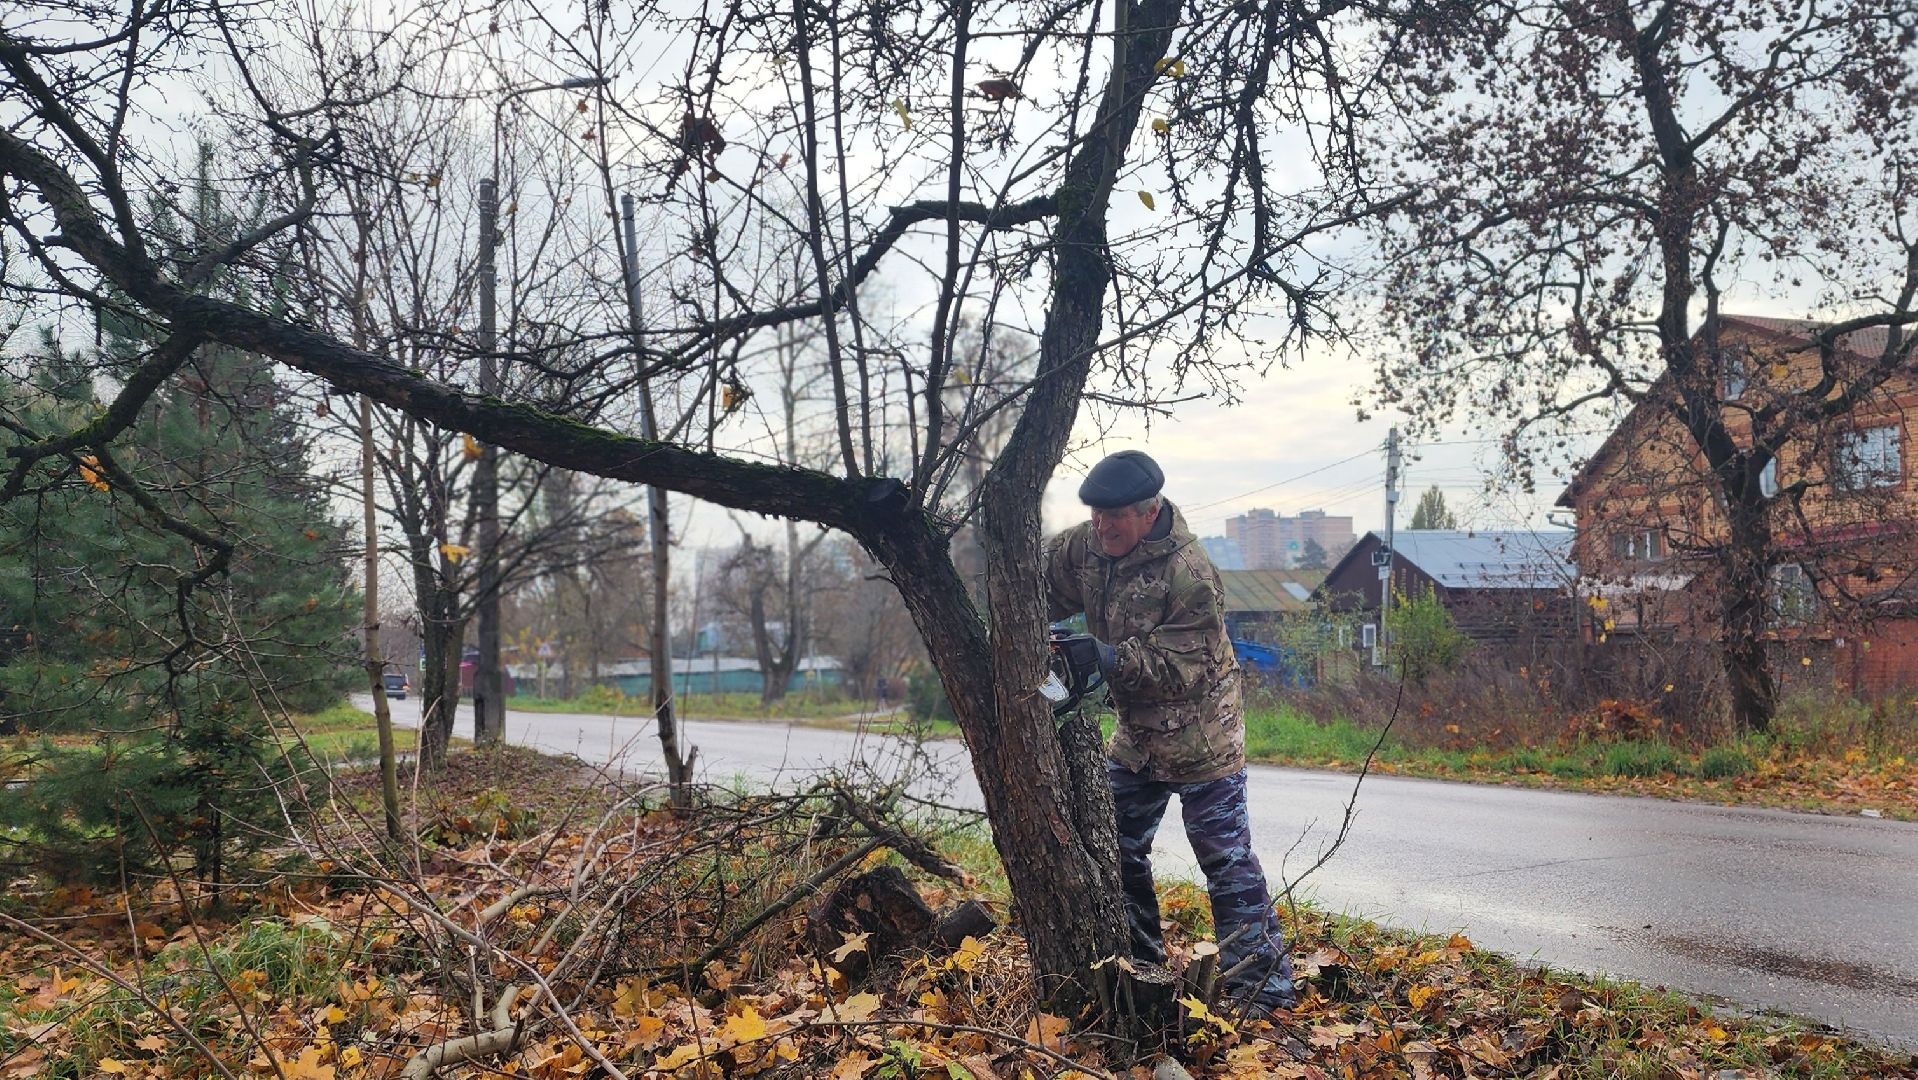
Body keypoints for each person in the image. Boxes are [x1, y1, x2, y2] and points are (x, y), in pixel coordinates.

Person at [1043, 449, 1297, 1014]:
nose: (1102, 527)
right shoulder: (1086, 546)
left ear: (1148, 509)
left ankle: (1262, 990)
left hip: (1203, 734)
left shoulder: (1190, 573)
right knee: (1114, 846)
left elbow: (1185, 670)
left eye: (1115, 516)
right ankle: (1141, 965)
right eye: (1095, 515)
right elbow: (1033, 585)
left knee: (1226, 862)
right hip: (1137, 737)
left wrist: (1105, 658)